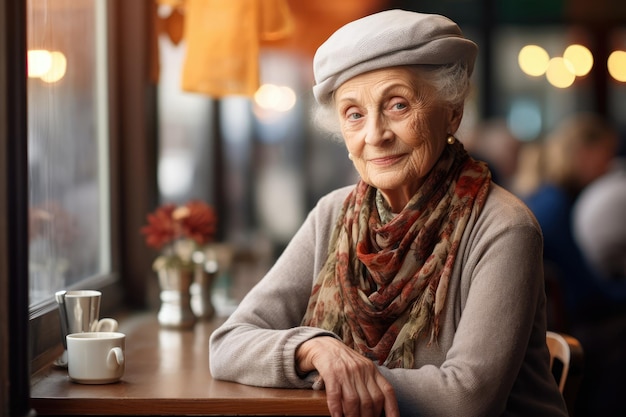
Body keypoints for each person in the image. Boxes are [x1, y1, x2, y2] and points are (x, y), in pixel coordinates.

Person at [209, 9, 567, 417]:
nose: (375, 135)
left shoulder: (504, 227)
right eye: (354, 114)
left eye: (397, 105)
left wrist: (344, 376)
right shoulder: (333, 214)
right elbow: (228, 345)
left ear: (452, 112)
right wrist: (315, 348)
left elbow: (466, 399)